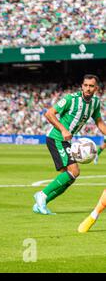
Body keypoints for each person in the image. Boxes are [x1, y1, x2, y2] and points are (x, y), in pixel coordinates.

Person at [33, 74, 106, 215]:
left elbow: (99, 122)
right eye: (85, 85)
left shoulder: (95, 103)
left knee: (69, 178)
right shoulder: (71, 99)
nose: (88, 88)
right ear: (82, 86)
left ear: (96, 88)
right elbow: (49, 113)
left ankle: (40, 205)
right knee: (74, 171)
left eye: (91, 86)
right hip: (56, 138)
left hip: (67, 141)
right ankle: (41, 195)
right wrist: (63, 129)